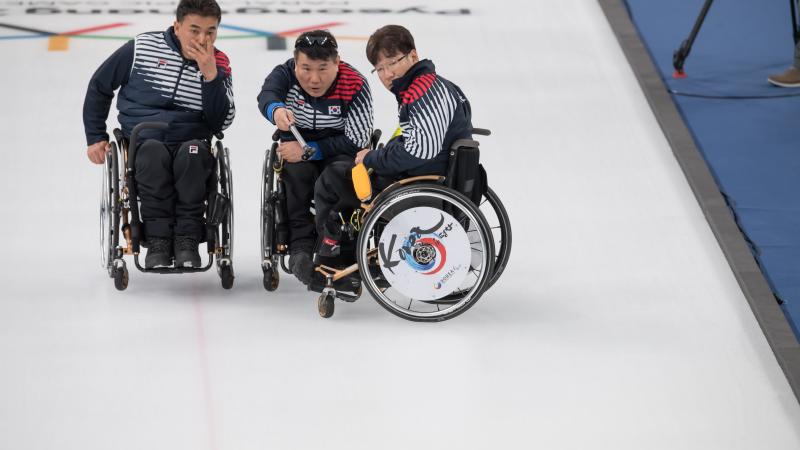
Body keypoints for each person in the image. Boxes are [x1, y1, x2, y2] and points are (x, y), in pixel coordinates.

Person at [83, 0, 235, 269]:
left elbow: (221, 121)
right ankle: (158, 240)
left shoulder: (219, 61)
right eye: (194, 30)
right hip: (144, 136)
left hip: (191, 137)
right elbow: (100, 86)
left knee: (192, 156)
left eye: (210, 31)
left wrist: (210, 76)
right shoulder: (142, 48)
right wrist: (96, 136)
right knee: (152, 155)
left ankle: (187, 239)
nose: (202, 39)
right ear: (177, 27)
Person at [313, 24, 473, 257]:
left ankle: (335, 257)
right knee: (349, 172)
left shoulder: (423, 91)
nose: (387, 74)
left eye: (392, 63)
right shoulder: (433, 86)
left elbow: (419, 151)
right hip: (433, 176)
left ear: (413, 55)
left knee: (334, 178)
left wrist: (373, 158)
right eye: (379, 69)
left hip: (422, 184)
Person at [257, 29, 374, 285]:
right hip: (296, 142)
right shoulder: (285, 74)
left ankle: (335, 246)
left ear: (337, 63)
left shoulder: (355, 84)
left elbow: (357, 139)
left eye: (323, 68)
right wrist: (276, 111)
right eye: (306, 68)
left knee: (339, 177)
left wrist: (312, 150)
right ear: (295, 62)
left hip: (340, 147)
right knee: (295, 173)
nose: (314, 79)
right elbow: (267, 95)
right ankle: (300, 247)